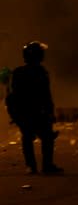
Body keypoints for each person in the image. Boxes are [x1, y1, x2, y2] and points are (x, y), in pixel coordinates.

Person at [4, 42, 62, 174]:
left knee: (27, 137)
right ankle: (47, 166)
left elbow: (13, 93)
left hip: (24, 112)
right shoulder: (41, 72)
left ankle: (31, 166)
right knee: (46, 137)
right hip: (38, 111)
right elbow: (46, 95)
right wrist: (50, 112)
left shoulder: (18, 72)